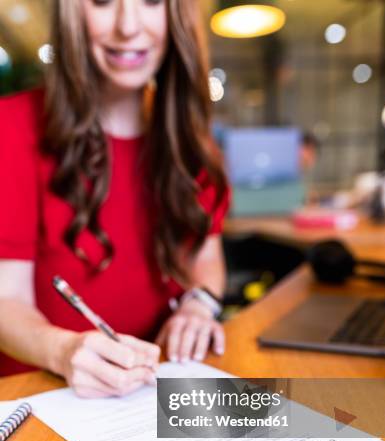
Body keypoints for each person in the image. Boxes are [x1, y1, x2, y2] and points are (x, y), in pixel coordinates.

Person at [0, 0, 230, 398]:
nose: (128, 25)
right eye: (104, 1)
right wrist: (63, 349)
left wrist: (198, 305)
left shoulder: (191, 140)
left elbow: (206, 256)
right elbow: (6, 299)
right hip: (40, 400)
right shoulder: (11, 127)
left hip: (154, 394)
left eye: (151, 1)